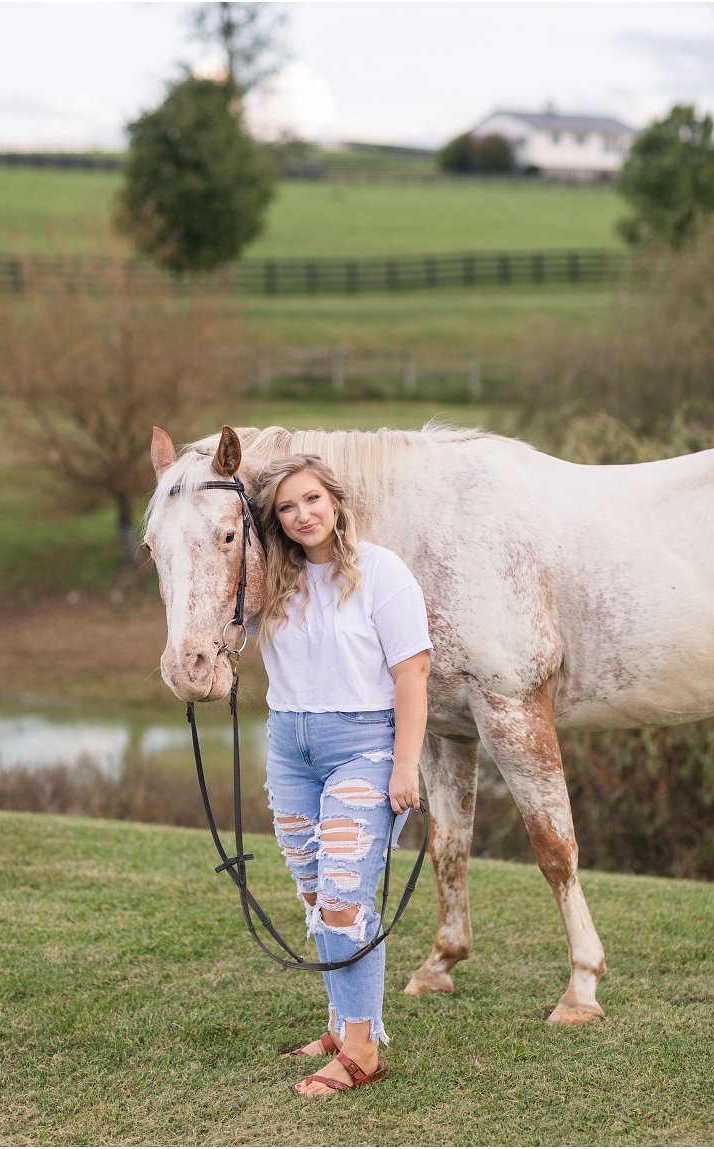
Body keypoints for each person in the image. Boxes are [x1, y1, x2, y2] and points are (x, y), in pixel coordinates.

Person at [253, 453, 432, 1097]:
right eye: (286, 508)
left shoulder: (382, 571)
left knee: (344, 899)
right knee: (315, 896)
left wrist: (405, 763)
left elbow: (413, 672)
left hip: (364, 746)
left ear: (335, 500)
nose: (303, 516)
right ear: (274, 521)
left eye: (312, 500)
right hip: (288, 747)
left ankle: (362, 1052)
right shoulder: (271, 579)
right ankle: (341, 1019)